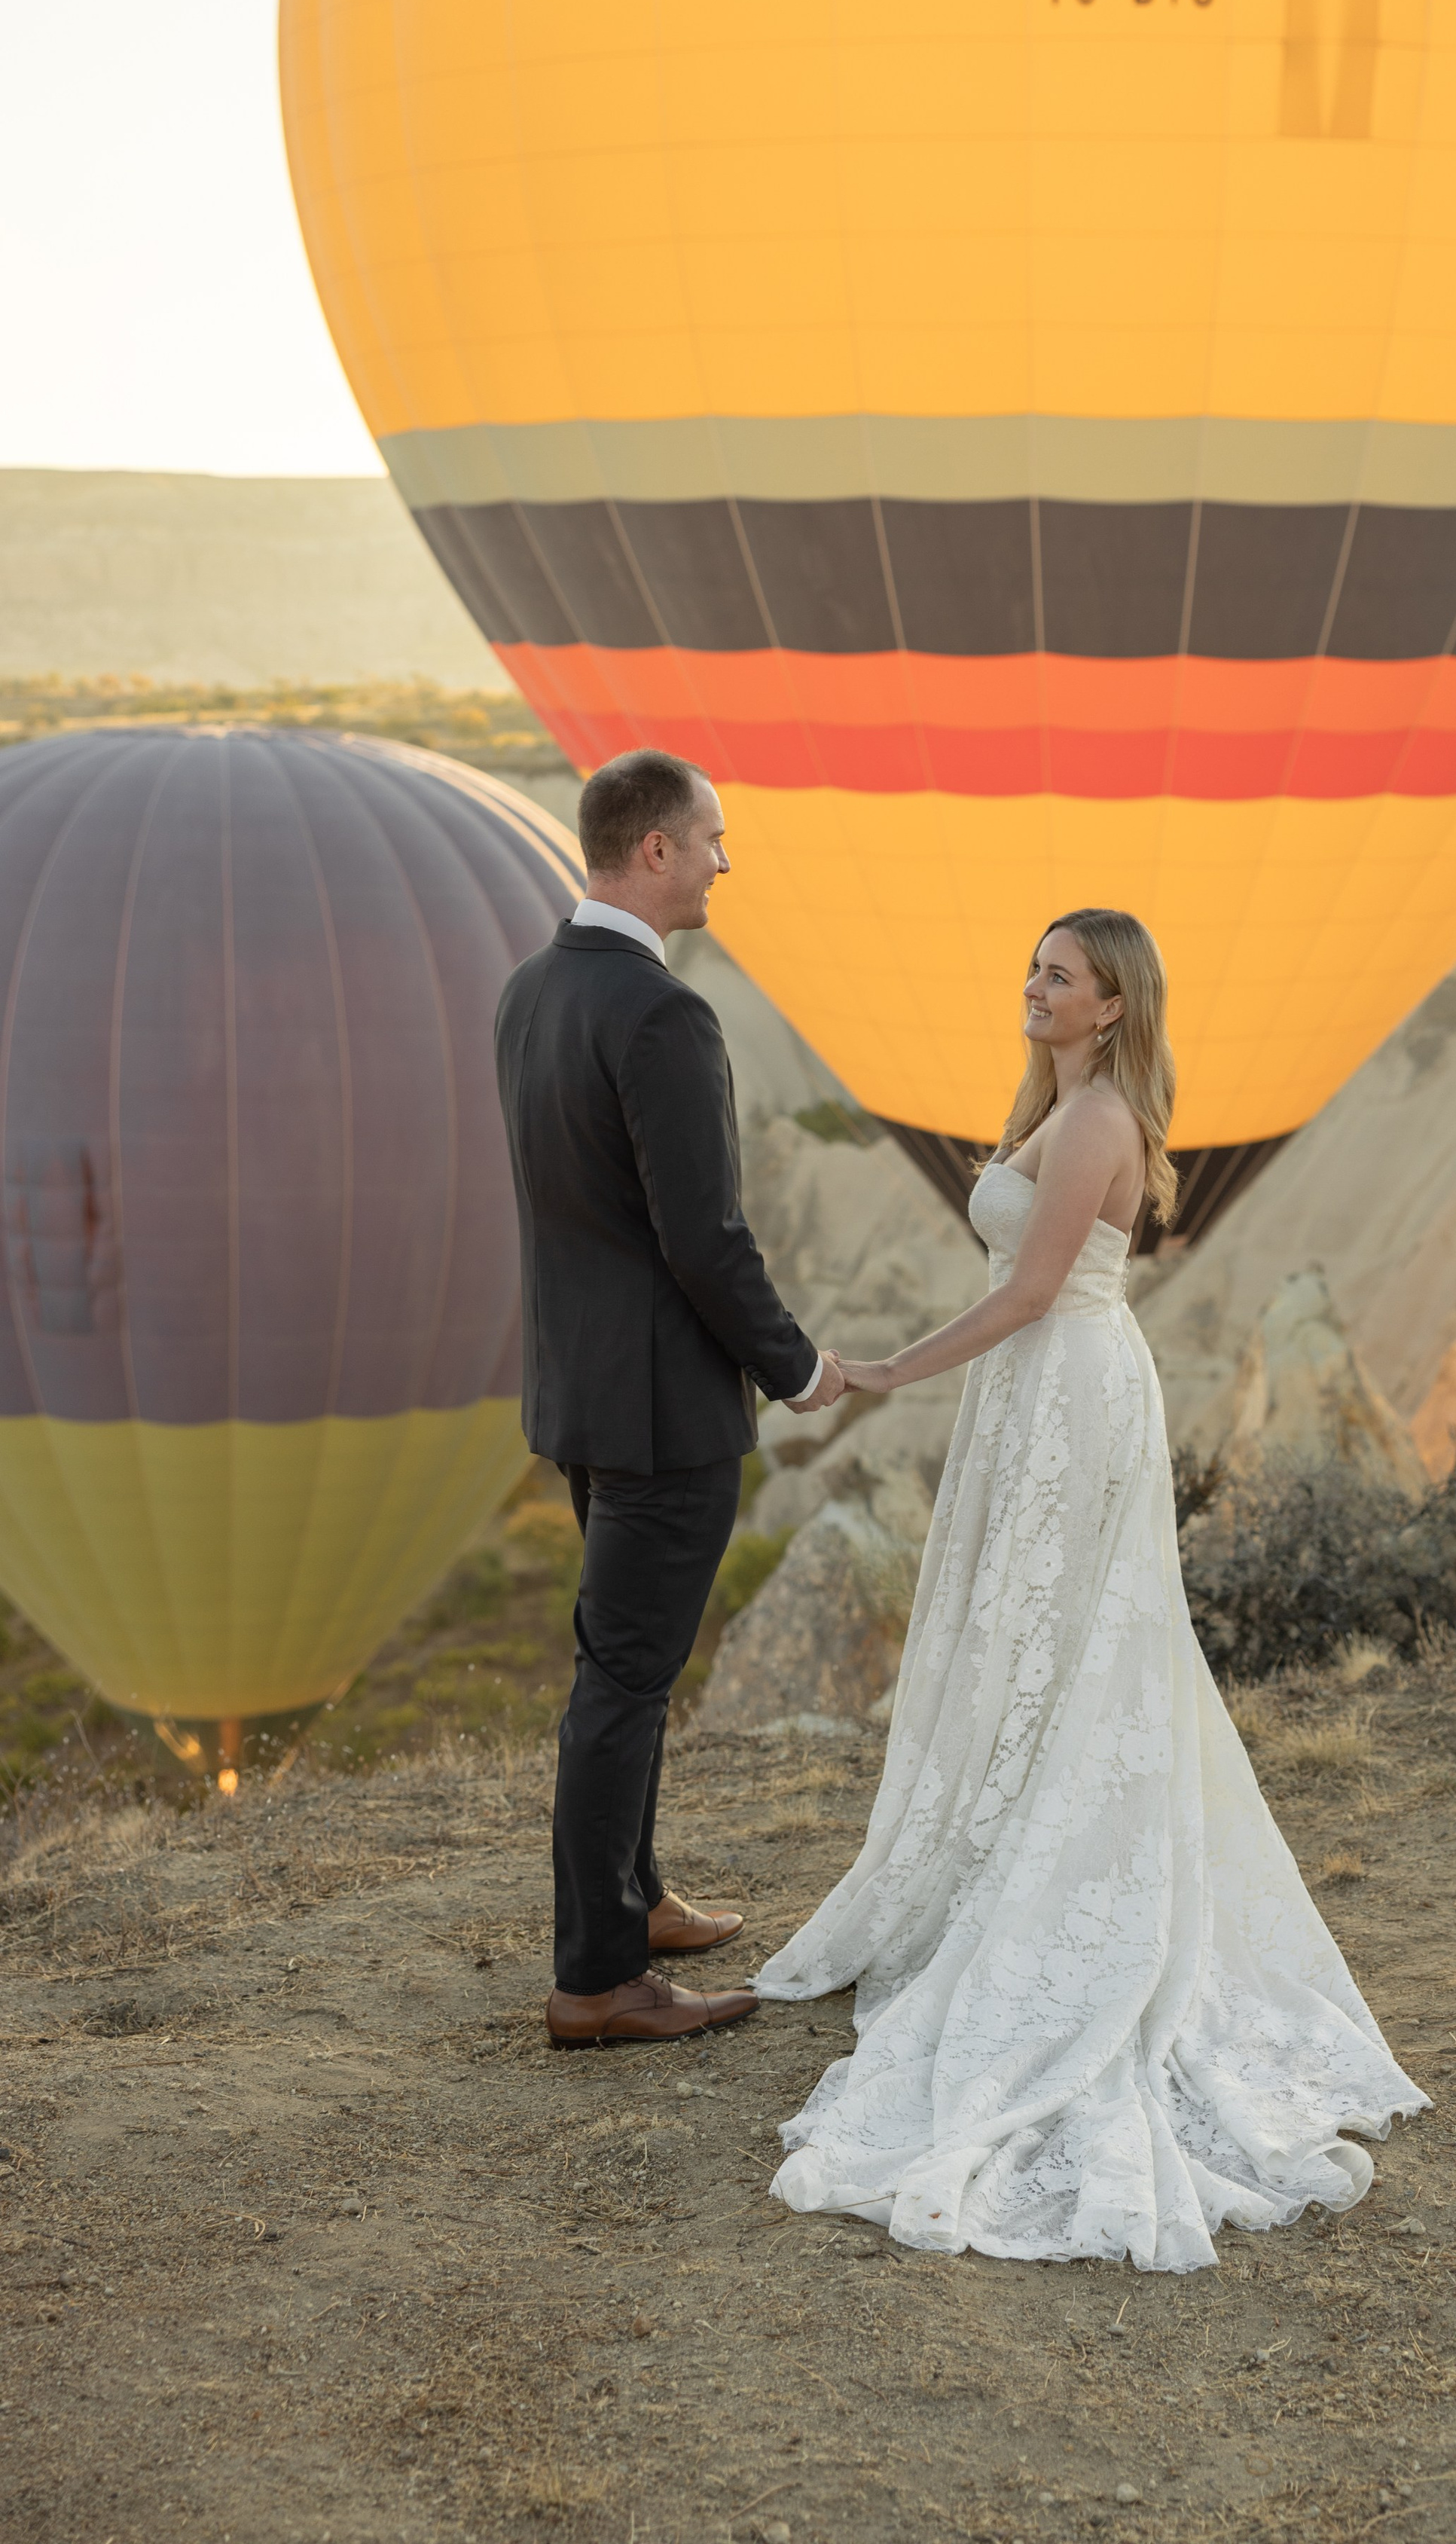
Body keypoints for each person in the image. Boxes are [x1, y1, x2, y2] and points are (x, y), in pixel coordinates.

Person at [755, 909, 1427, 2268]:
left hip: (1065, 1384)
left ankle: (1055, 1893)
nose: (1035, 986)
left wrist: (884, 1368)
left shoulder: (1106, 1119)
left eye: (1062, 975)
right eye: (1034, 967)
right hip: (1037, 1394)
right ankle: (989, 1859)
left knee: (1073, 1642)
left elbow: (1031, 1291)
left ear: (1115, 1005)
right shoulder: (1055, 1104)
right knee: (1026, 1637)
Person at [495, 749, 844, 2048]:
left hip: (581, 1395)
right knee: (625, 1681)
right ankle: (596, 1978)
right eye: (709, 839)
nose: (722, 860)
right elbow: (704, 1237)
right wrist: (799, 1365)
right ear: (652, 849)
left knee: (622, 1666)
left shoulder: (531, 993)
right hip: (661, 1410)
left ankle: (632, 1900)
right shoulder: (662, 1017)